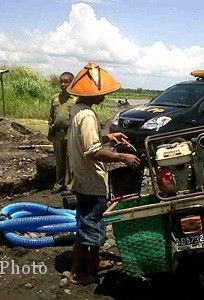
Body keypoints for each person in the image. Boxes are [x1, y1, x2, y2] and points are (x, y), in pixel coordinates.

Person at [66, 62, 141, 285]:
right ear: (94, 94)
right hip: (91, 181)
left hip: (83, 177)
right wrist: (122, 157)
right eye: (103, 93)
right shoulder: (88, 115)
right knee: (88, 227)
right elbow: (93, 151)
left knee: (94, 224)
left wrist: (111, 138)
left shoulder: (77, 110)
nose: (105, 96)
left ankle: (93, 263)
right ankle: (77, 273)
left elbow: (87, 142)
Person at [48, 72, 76, 193]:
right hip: (57, 134)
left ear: (72, 82)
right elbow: (51, 117)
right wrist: (50, 131)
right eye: (61, 82)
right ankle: (59, 184)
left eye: (66, 82)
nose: (63, 84)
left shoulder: (76, 99)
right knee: (59, 161)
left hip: (70, 134)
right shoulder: (55, 98)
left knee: (71, 161)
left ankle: (71, 186)